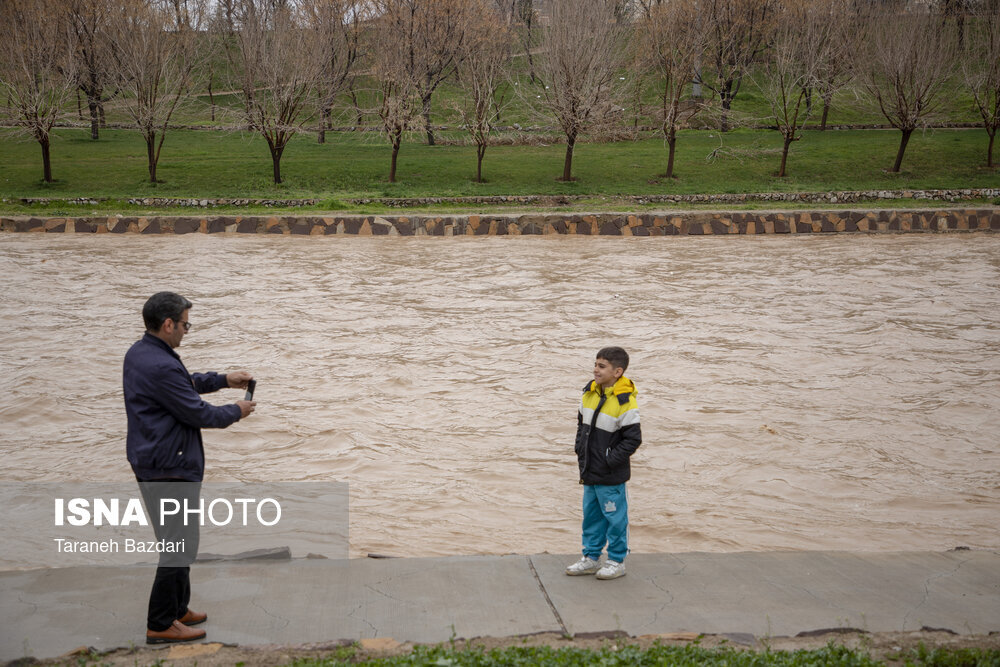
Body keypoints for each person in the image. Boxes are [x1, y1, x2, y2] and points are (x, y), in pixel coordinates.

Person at [123, 292, 256, 644]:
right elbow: (197, 413)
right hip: (168, 466)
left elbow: (184, 384)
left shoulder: (142, 353)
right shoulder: (160, 364)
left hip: (154, 458)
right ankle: (161, 622)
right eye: (185, 324)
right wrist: (235, 411)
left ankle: (178, 608)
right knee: (179, 544)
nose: (186, 330)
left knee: (180, 540)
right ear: (168, 324)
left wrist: (223, 379)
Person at [566, 346, 641, 580]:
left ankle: (617, 561)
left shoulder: (624, 402)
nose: (595, 370)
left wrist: (610, 461)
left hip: (610, 474)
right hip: (589, 470)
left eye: (602, 366)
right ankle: (590, 557)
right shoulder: (588, 393)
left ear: (617, 371)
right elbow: (581, 427)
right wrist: (580, 449)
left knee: (616, 519)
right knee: (591, 516)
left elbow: (633, 440)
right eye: (595, 365)